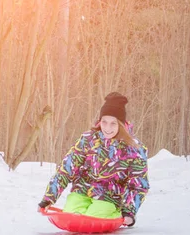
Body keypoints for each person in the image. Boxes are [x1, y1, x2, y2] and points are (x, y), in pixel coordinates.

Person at [38, 92, 149, 226]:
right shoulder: (88, 139)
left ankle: (114, 214)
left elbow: (138, 185)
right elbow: (66, 169)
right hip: (82, 190)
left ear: (121, 124)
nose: (107, 128)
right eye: (104, 122)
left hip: (109, 197)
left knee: (94, 217)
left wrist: (129, 212)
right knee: (72, 216)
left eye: (113, 123)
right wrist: (48, 199)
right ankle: (79, 209)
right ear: (99, 121)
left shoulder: (134, 149)